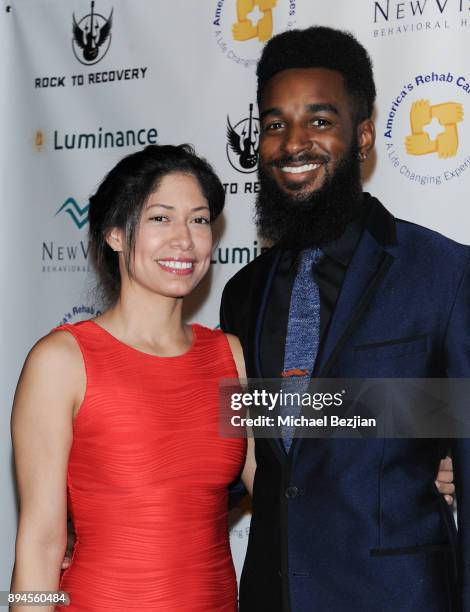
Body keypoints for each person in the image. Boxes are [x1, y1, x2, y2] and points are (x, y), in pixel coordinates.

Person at [220, 26, 470, 611]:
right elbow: (249, 457)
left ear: (362, 137)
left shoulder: (444, 275)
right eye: (276, 124)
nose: (293, 142)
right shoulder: (242, 293)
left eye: (320, 121)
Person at [10, 144, 254, 611]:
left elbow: (291, 479)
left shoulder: (231, 359)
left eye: (199, 220)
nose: (185, 239)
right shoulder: (62, 361)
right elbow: (41, 542)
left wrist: (420, 458)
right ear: (116, 234)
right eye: (161, 218)